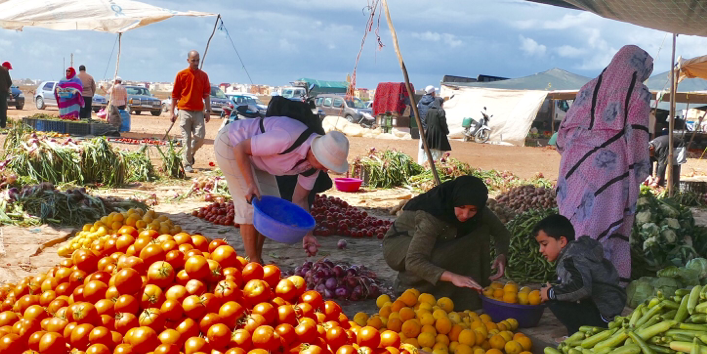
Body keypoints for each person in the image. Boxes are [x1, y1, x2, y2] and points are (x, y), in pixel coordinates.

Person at [556, 45, 653, 285]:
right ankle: (601, 284)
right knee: (604, 225)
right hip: (609, 167)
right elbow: (637, 133)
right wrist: (639, 169)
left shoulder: (587, 88)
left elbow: (564, 131)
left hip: (573, 165)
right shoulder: (638, 91)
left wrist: (577, 151)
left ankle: (571, 280)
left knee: (575, 223)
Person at [213, 117, 350, 264]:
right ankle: (252, 264)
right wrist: (250, 184)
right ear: (315, 152)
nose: (324, 169)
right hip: (231, 144)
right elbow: (240, 149)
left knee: (269, 208)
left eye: (328, 166)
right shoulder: (287, 138)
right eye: (324, 163)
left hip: (258, 158)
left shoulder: (313, 167)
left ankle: (257, 259)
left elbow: (300, 199)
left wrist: (307, 234)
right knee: (250, 206)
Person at [383, 176, 508, 310]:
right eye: (461, 207)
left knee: (480, 233)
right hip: (400, 246)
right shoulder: (432, 215)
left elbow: (501, 232)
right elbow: (414, 260)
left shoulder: (479, 210)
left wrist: (502, 255)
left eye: (472, 210)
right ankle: (410, 288)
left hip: (432, 240)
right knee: (446, 254)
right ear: (454, 199)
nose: (466, 215)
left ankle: (469, 294)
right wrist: (453, 277)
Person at [534, 213, 626, 335]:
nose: (541, 250)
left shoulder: (570, 259)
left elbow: (582, 288)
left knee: (551, 296)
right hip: (609, 309)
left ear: (562, 241)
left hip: (603, 317)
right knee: (558, 288)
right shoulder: (579, 251)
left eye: (544, 244)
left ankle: (578, 334)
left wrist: (551, 293)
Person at [171, 50, 212, 173]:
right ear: (188, 60)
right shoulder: (181, 74)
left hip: (199, 111)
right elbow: (174, 95)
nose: (196, 63)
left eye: (197, 60)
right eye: (193, 60)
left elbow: (206, 95)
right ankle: (187, 164)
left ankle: (189, 154)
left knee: (200, 137)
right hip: (184, 111)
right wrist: (172, 113)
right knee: (186, 139)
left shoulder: (203, 76)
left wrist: (208, 111)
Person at [423, 95, 452, 161]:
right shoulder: (441, 111)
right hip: (439, 134)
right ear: (441, 104)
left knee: (429, 151)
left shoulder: (429, 111)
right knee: (438, 152)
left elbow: (426, 121)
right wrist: (446, 131)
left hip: (429, 134)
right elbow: (443, 123)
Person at [416, 85, 439, 164]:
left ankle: (420, 164)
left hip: (422, 127)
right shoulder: (434, 103)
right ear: (432, 93)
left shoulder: (420, 101)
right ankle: (430, 165)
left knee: (422, 147)